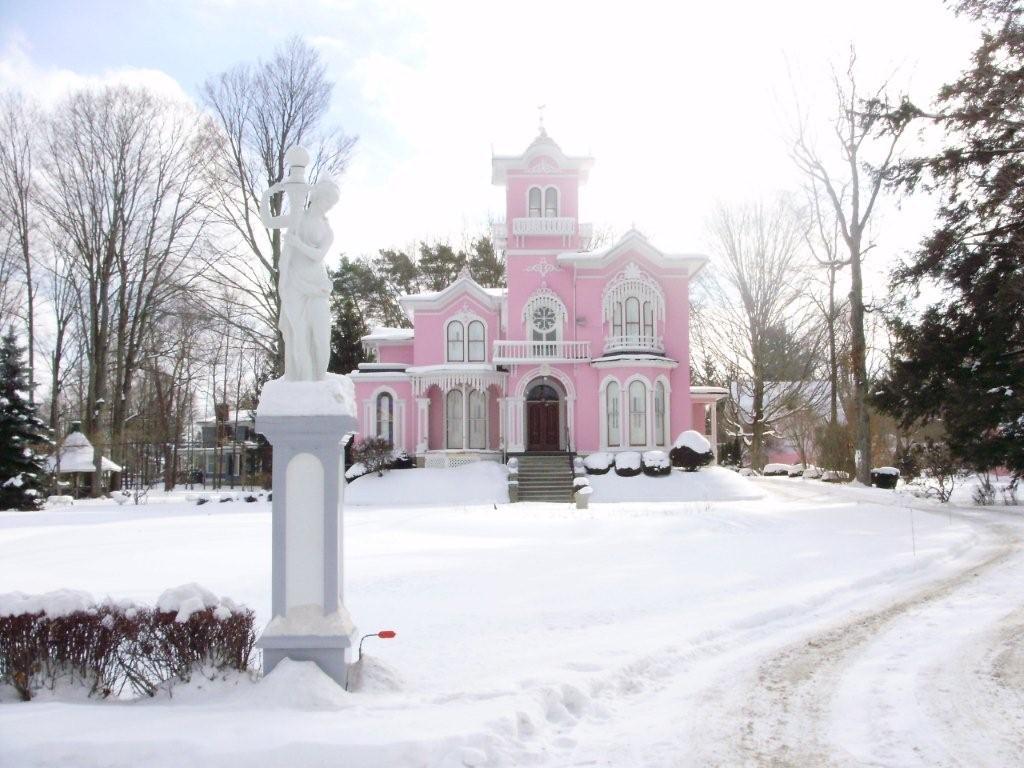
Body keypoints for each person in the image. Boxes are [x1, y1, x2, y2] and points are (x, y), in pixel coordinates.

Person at [259, 176, 340, 381]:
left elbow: (317, 256)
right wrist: (268, 195)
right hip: (294, 284)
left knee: (322, 338)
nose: (328, 207)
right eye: (326, 201)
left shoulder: (327, 231)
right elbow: (268, 222)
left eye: (331, 204)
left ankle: (319, 381)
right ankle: (302, 382)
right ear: (316, 196)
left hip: (317, 287)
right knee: (298, 337)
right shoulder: (297, 218)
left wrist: (297, 244)